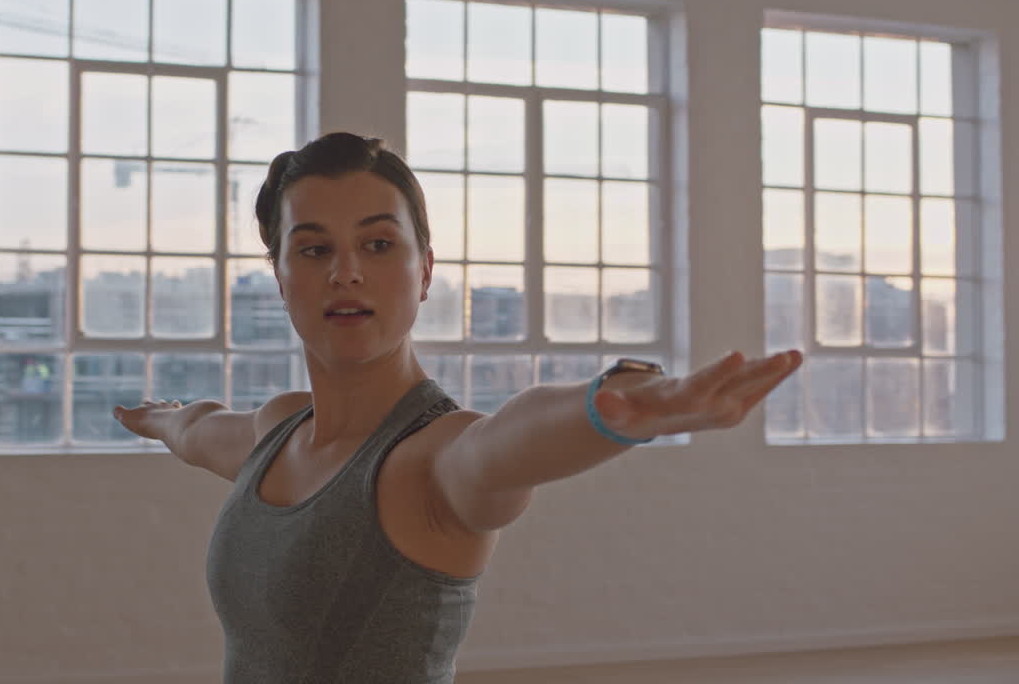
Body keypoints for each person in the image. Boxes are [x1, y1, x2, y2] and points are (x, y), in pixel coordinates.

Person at [113, 132, 802, 683]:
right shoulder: (277, 430)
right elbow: (200, 429)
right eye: (315, 248)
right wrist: (160, 417)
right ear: (281, 276)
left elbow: (506, 443)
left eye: (378, 245)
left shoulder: (431, 457)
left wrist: (602, 410)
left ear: (425, 271)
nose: (345, 271)